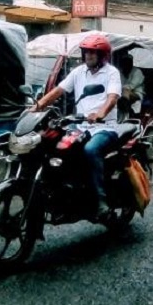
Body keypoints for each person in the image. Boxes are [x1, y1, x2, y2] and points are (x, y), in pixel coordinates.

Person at [31, 34, 123, 219]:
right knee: (51, 144)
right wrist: (37, 106)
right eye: (86, 52)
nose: (88, 55)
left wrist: (100, 114)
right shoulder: (79, 71)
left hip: (104, 127)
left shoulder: (111, 73)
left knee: (90, 150)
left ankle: (100, 201)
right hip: (80, 126)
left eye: (93, 52)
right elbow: (58, 91)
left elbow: (112, 98)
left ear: (102, 55)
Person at [117, 53, 145, 120]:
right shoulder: (120, 72)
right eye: (124, 62)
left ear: (131, 63)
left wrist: (120, 89)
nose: (126, 64)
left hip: (137, 94)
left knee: (125, 91)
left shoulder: (137, 72)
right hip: (123, 94)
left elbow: (131, 86)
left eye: (128, 62)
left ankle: (129, 111)